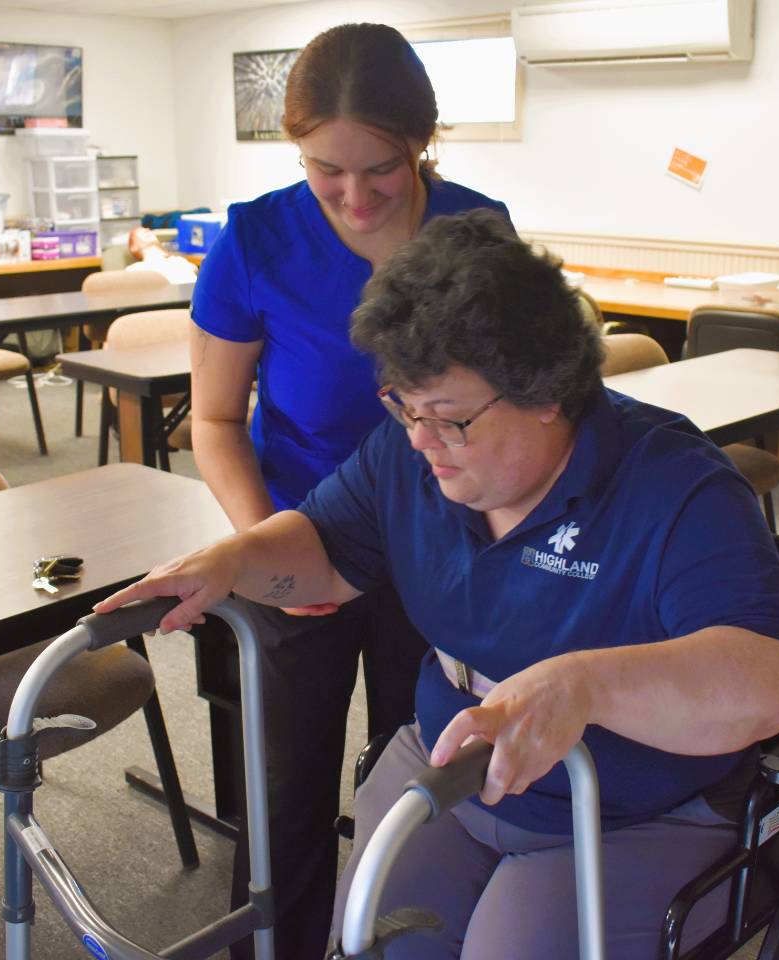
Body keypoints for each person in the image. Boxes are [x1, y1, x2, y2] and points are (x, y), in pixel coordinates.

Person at [98, 209, 779, 959]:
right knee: (373, 937)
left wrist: (587, 686)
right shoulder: (411, 456)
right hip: (454, 763)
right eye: (401, 407)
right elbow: (328, 547)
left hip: (626, 808)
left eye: (448, 419)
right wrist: (230, 562)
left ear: (548, 394)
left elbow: (769, 682)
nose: (418, 440)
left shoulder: (676, 488)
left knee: (508, 944)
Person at [184, 22, 510, 959]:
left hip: (442, 551)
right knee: (285, 790)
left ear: (422, 144)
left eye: (384, 168)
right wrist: (264, 542)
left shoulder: (477, 232)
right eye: (329, 170)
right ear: (296, 150)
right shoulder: (256, 240)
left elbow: (514, 404)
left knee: (417, 783)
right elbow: (213, 423)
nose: (357, 196)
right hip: (299, 541)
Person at [125, 226, 200, 284]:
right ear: (133, 247)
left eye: (148, 230)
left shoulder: (179, 261)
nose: (147, 230)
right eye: (140, 232)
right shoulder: (134, 270)